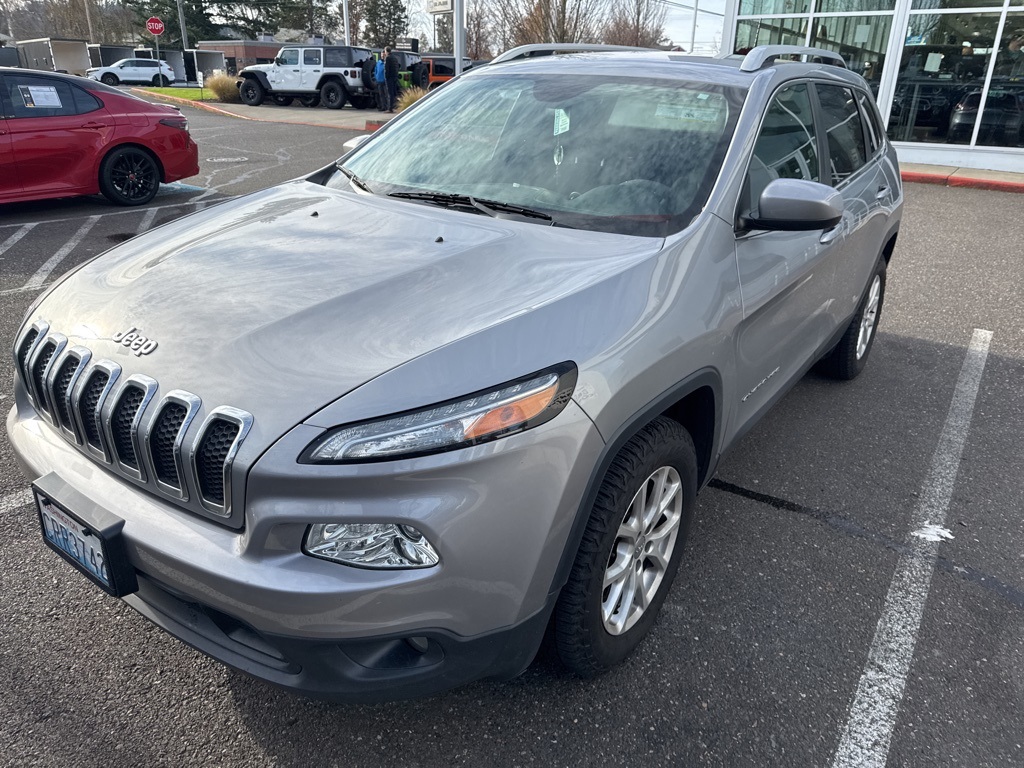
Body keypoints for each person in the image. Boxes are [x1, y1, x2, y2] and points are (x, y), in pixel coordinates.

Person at [384, 45, 399, 113]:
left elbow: (387, 69)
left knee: (390, 93)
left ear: (386, 51)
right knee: (393, 92)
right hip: (395, 77)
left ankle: (390, 108)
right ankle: (394, 106)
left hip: (390, 77)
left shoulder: (388, 58)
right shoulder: (395, 58)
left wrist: (386, 77)